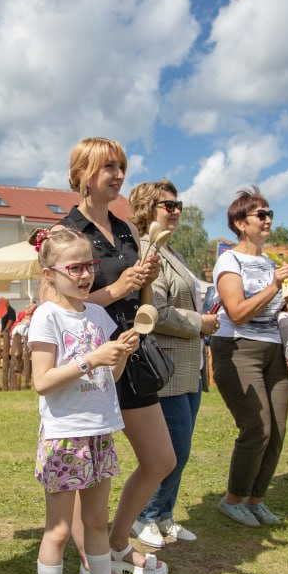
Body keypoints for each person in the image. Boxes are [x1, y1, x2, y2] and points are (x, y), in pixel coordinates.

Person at [55, 138, 172, 574]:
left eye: (121, 166)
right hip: (91, 361)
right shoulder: (65, 232)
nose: (118, 174)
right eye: (108, 167)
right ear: (82, 173)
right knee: (90, 477)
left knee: (161, 459)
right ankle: (91, 569)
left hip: (132, 354)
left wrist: (145, 283)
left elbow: (133, 295)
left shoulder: (124, 229)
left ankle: (118, 542)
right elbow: (60, 302)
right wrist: (118, 286)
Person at [29, 228, 146, 574]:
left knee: (97, 522)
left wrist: (118, 356)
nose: (84, 275)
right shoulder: (47, 317)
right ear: (50, 273)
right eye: (74, 267)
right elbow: (42, 382)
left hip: (99, 431)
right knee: (59, 530)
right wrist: (90, 358)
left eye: (89, 266)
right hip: (64, 436)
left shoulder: (99, 319)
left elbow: (107, 380)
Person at [210, 187, 288, 528]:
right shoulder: (230, 260)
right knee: (257, 426)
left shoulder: (270, 262)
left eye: (270, 215)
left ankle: (256, 500)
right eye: (261, 215)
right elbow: (236, 312)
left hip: (274, 347)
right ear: (241, 222)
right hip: (238, 347)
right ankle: (233, 499)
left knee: (277, 429)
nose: (268, 221)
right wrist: (273, 284)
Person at [127, 180, 218, 547]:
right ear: (147, 209)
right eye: (168, 205)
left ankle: (164, 515)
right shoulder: (147, 250)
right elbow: (156, 311)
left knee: (182, 450)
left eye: (178, 204)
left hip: (185, 367)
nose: (176, 210)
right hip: (163, 368)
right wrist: (201, 324)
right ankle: (144, 516)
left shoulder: (171, 251)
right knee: (172, 450)